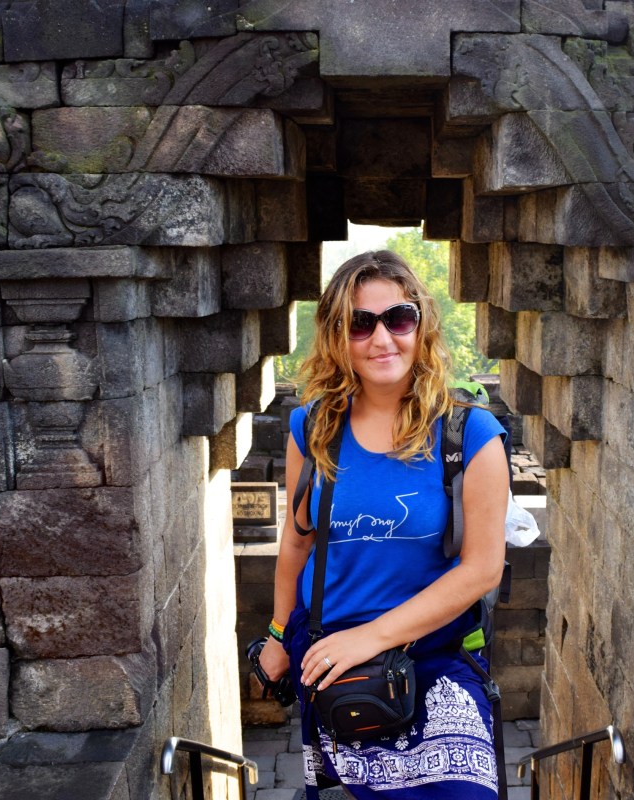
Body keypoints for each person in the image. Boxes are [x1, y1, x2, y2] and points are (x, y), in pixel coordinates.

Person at [258, 250, 509, 798]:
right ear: (337, 335)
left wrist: (371, 638)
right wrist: (276, 635)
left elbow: (483, 569)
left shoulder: (468, 435)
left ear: (421, 325)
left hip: (434, 657)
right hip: (332, 664)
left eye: (397, 319)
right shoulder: (313, 427)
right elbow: (298, 543)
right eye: (360, 323)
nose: (381, 339)